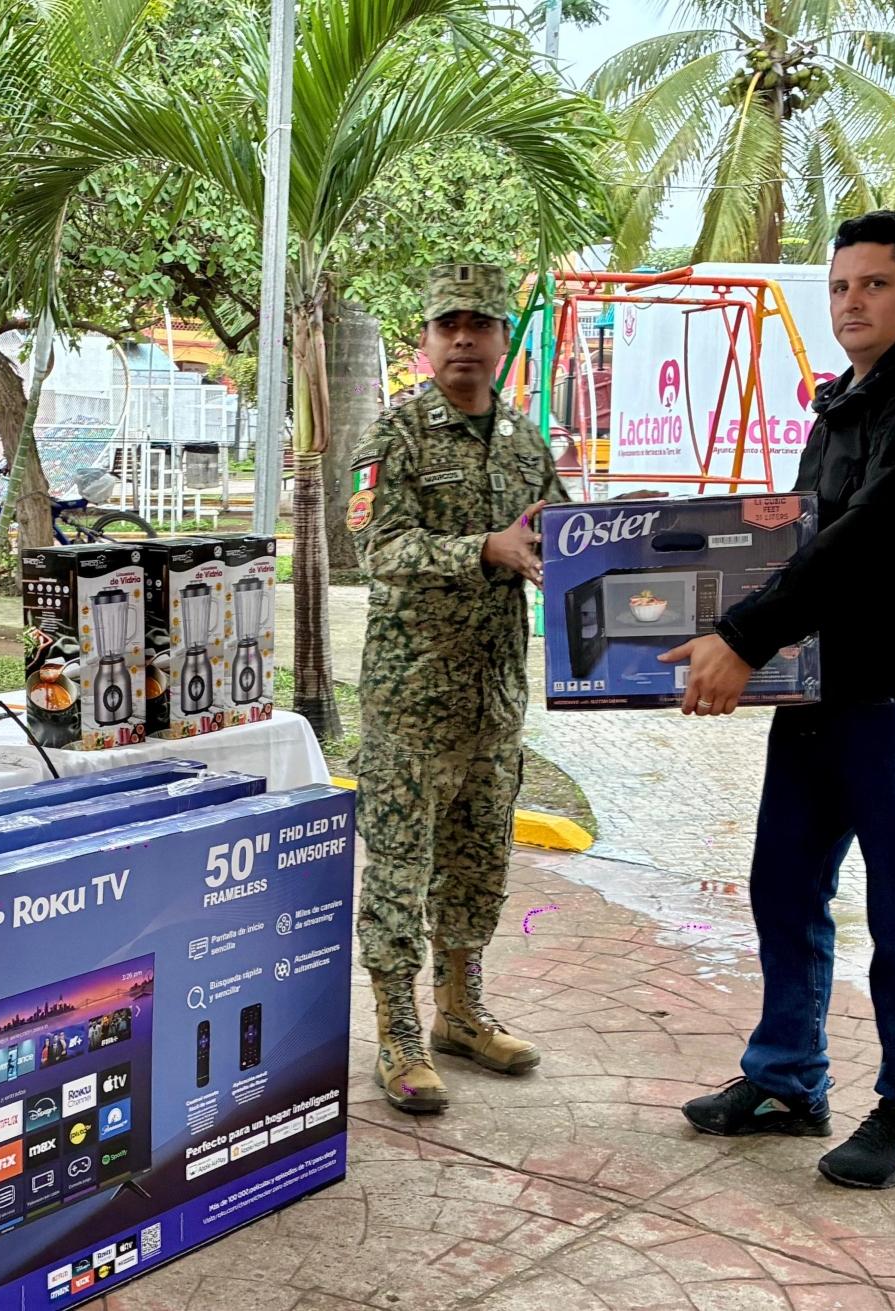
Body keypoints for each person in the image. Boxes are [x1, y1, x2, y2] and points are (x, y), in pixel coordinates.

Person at [661, 210, 895, 1189]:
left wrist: (739, 636)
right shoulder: (853, 399)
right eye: (842, 286)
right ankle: (785, 1082)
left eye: (877, 284)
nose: (853, 302)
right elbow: (802, 544)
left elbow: (867, 543)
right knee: (784, 886)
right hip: (820, 687)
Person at [347, 263, 568, 1115]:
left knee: (478, 868)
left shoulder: (521, 442)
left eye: (481, 324)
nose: (466, 339)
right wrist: (484, 548)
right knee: (400, 873)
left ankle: (461, 1011)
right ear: (427, 340)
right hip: (411, 703)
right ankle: (398, 1035)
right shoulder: (395, 435)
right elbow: (378, 550)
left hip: (493, 702)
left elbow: (559, 533)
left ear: (503, 341)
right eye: (450, 325)